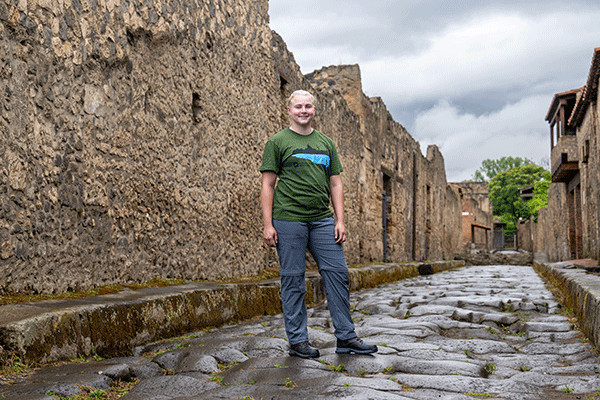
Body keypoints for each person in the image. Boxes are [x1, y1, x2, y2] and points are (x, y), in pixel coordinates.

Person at [260, 89, 378, 358]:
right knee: (292, 279)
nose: (304, 111)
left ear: (315, 110)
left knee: (337, 274)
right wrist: (268, 224)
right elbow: (267, 184)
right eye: (299, 106)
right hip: (288, 218)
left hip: (322, 220)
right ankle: (298, 341)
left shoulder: (326, 143)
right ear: (288, 110)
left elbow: (335, 183)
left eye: (309, 106)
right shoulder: (277, 142)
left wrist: (340, 220)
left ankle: (346, 337)